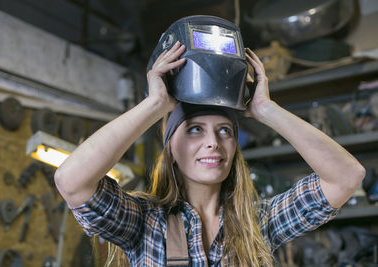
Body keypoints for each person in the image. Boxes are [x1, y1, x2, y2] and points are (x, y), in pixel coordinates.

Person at [54, 16, 365, 267]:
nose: (213, 142)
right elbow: (71, 181)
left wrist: (266, 110)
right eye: (194, 129)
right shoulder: (144, 223)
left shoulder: (259, 223)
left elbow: (346, 177)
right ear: (171, 148)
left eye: (225, 131)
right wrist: (154, 107)